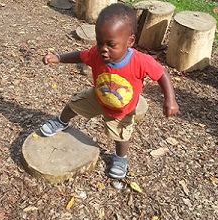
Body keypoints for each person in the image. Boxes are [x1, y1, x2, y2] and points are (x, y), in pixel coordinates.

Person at [40, 3, 179, 179]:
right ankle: (61, 121)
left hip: (122, 108)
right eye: (99, 42)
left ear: (130, 41)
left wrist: (170, 99)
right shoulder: (97, 54)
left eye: (111, 44)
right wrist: (58, 58)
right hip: (98, 96)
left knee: (121, 136)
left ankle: (121, 158)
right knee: (73, 104)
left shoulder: (140, 61)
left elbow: (162, 74)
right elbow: (81, 55)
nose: (103, 48)